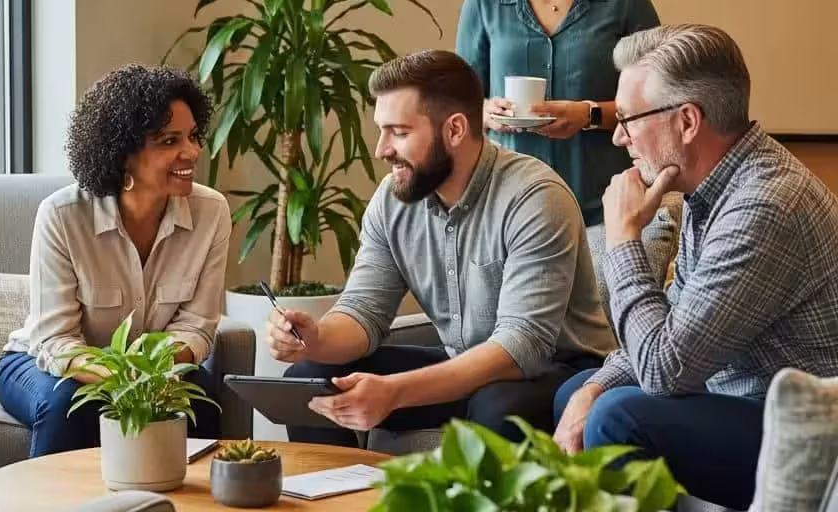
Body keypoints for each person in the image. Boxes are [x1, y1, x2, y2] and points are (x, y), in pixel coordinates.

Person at [267, 49, 617, 448]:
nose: (381, 149)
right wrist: (315, 336)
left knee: (498, 405)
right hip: (464, 363)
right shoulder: (393, 200)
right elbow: (364, 311)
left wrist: (395, 391)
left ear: (453, 130)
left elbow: (523, 345)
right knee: (312, 379)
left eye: (398, 132)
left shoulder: (535, 196)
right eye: (382, 130)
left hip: (556, 370)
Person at [552, 24, 838, 510]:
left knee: (617, 418)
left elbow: (665, 370)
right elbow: (673, 320)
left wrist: (624, 240)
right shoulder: (712, 188)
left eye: (627, 118)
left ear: (687, 121)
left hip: (808, 429)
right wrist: (596, 385)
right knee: (579, 393)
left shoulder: (766, 205)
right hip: (735, 398)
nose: (619, 136)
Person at [0, 64, 231, 457]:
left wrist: (147, 376)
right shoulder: (63, 215)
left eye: (191, 136)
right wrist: (126, 380)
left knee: (201, 400)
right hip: (41, 362)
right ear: (123, 154)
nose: (191, 151)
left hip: (152, 370)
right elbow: (56, 341)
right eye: (169, 141)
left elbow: (196, 328)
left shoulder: (212, 212)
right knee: (70, 406)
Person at [456, 0, 661, 228]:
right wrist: (484, 111)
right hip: (507, 205)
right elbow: (459, 102)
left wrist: (589, 114)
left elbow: (657, 101)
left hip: (605, 209)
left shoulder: (627, 5)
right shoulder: (483, 5)